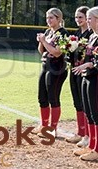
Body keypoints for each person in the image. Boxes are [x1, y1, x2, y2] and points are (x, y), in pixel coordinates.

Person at [33, 8, 69, 138]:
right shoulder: (48, 32)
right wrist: (41, 42)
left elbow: (56, 52)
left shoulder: (63, 33)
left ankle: (52, 129)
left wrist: (44, 41)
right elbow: (41, 51)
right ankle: (44, 125)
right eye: (47, 18)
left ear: (58, 19)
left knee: (53, 98)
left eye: (51, 18)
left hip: (57, 68)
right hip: (45, 66)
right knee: (42, 97)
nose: (48, 21)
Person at [72, 6, 98, 161]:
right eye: (87, 18)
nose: (88, 21)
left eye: (90, 18)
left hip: (95, 78)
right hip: (86, 77)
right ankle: (91, 146)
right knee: (89, 113)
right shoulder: (93, 37)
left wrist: (89, 65)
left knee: (96, 114)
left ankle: (97, 149)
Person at [66, 6, 92, 147]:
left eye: (81, 17)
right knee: (77, 102)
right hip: (74, 70)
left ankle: (87, 135)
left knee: (85, 104)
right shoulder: (76, 34)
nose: (78, 20)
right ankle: (81, 133)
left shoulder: (90, 34)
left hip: (85, 72)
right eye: (76, 17)